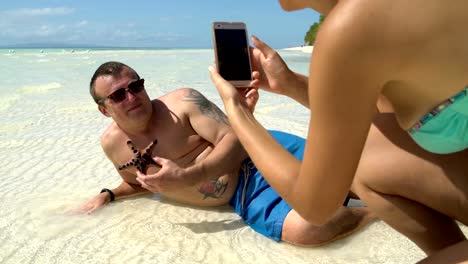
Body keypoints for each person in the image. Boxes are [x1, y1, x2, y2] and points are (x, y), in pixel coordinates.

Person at [208, 0, 468, 261]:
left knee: (356, 159)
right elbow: (380, 111)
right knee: (365, 156)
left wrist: (237, 111)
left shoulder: (352, 26)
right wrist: (289, 83)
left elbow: (315, 206)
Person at [76, 61, 374, 247]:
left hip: (261, 153)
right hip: (245, 193)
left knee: (363, 176)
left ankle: (378, 201)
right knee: (309, 229)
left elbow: (239, 140)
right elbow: (139, 183)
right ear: (104, 109)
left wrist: (187, 176)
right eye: (118, 95)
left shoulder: (182, 103)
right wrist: (108, 195)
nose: (132, 96)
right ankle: (371, 214)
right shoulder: (111, 145)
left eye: (136, 86)